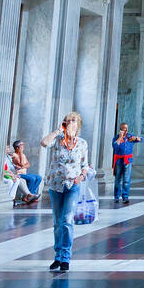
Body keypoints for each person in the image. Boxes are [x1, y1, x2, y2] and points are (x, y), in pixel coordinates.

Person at [41, 111, 89, 272]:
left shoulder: (82, 143)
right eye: (67, 120)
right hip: (55, 185)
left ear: (78, 124)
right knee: (57, 222)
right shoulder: (57, 141)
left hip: (72, 185)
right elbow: (43, 143)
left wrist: (81, 177)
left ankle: (65, 257)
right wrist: (57, 131)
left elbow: (85, 165)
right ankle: (57, 256)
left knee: (67, 220)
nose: (70, 123)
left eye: (73, 120)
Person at [112, 123, 142, 205]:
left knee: (126, 179)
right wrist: (120, 137)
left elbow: (141, 139)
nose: (126, 130)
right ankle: (116, 197)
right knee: (118, 179)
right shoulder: (116, 137)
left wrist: (136, 138)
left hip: (128, 160)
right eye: (124, 128)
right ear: (120, 129)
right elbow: (114, 146)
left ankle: (125, 196)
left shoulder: (130, 137)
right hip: (119, 161)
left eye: (126, 128)